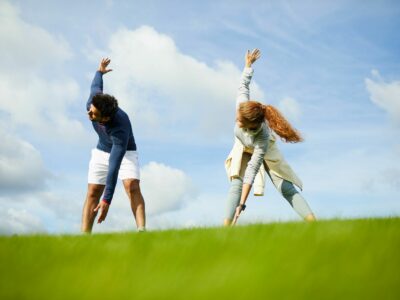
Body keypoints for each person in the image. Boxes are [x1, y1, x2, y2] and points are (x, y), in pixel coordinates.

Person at [224, 49, 316, 226]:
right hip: (242, 146)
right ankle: (225, 229)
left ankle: (314, 224)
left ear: (253, 125)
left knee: (285, 187)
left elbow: (252, 169)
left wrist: (242, 205)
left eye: (240, 121)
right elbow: (243, 85)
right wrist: (248, 66)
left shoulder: (263, 138)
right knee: (236, 183)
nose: (237, 120)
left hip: (264, 149)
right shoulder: (241, 107)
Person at [81, 58, 146, 233]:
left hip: (125, 152)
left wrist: (107, 200)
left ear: (106, 118)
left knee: (131, 185)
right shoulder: (92, 103)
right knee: (93, 191)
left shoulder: (120, 128)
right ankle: (84, 237)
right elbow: (95, 87)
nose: (89, 113)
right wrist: (99, 72)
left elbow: (114, 166)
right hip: (102, 150)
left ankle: (141, 231)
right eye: (90, 109)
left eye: (93, 114)